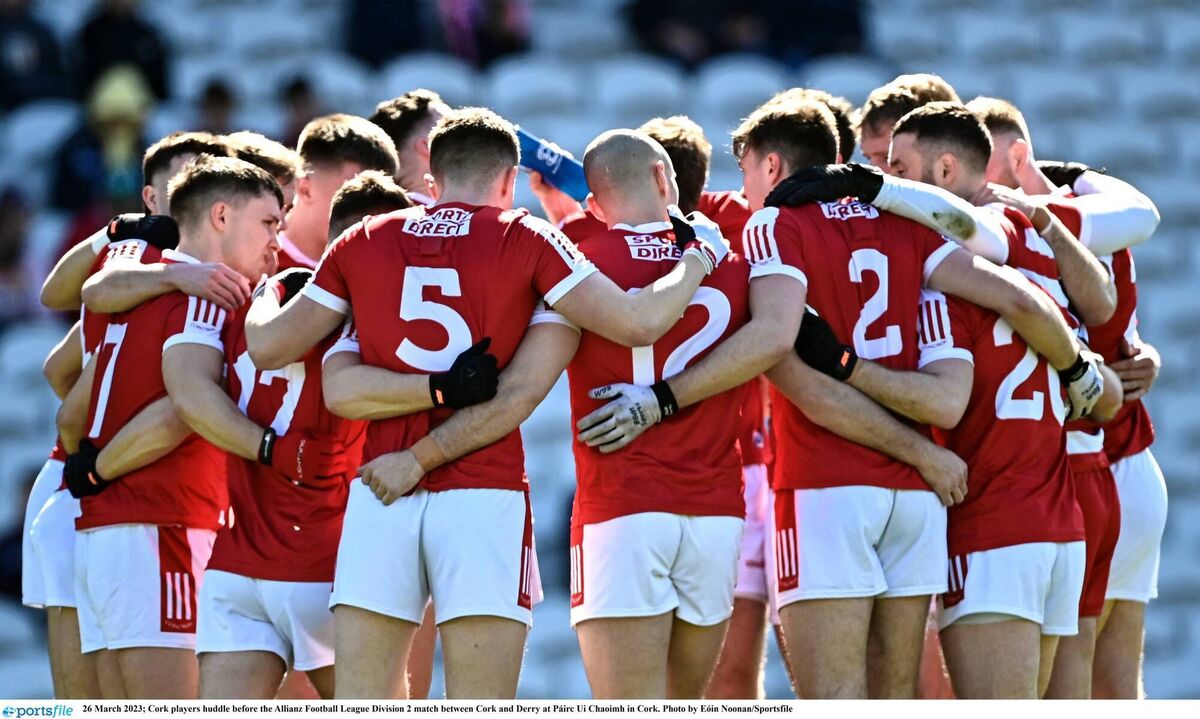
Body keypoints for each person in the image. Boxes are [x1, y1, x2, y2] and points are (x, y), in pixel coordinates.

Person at [580, 97, 1103, 699]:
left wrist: (660, 399)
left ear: (771, 167)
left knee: (833, 700)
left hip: (827, 488)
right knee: (896, 698)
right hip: (916, 497)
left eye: (746, 170)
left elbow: (795, 369)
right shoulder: (904, 220)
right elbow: (1016, 299)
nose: (744, 188)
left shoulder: (774, 224)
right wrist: (1077, 369)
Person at [242, 107, 729, 699]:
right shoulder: (526, 236)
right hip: (482, 491)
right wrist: (699, 257)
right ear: (508, 180)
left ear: (430, 181)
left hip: (379, 490)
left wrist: (266, 292)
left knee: (365, 701)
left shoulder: (364, 238)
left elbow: (268, 348)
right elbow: (636, 322)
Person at [62, 155, 284, 699]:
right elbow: (186, 406)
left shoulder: (135, 291)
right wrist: (272, 450)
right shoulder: (213, 297)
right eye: (269, 223)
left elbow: (69, 412)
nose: (276, 243)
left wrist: (93, 471)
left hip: (104, 532)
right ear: (222, 217)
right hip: (162, 525)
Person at [969, 97, 1166, 698]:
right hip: (1121, 463)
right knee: (1114, 683)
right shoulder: (1093, 215)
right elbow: (1135, 215)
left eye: (987, 165)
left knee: (1065, 681)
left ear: (1017, 156)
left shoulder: (1039, 222)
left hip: (1084, 463)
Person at [277, 114, 398, 272]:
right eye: (354, 197)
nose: (369, 214)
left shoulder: (388, 272)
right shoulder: (254, 271)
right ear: (304, 189)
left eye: (379, 198)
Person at [369, 90, 452, 205]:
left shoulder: (371, 218)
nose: (466, 141)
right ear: (429, 146)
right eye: (452, 129)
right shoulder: (472, 220)